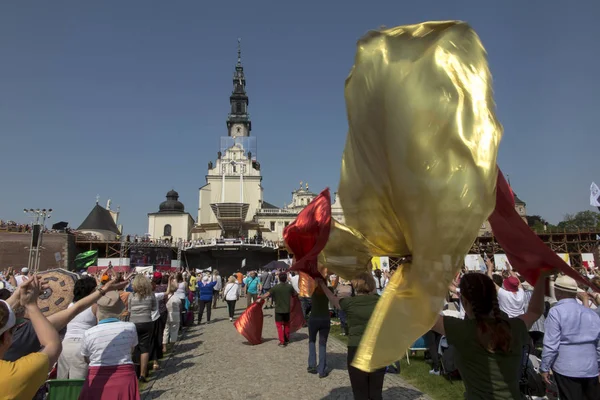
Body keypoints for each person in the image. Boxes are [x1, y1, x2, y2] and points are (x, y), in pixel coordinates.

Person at [431, 271, 548, 399]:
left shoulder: (462, 330)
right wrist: (541, 276)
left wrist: (412, 271)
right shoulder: (515, 327)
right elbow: (535, 311)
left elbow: (422, 317)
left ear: (464, 301)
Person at [320, 272, 384, 400]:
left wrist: (322, 284)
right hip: (376, 347)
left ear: (354, 286)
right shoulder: (379, 301)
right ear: (372, 285)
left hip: (356, 347)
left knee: (359, 391)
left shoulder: (349, 303)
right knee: (376, 391)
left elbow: (333, 299)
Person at [0, 277, 62, 400]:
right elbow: (52, 344)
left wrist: (17, 295)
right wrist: (30, 304)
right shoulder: (15, 374)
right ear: (6, 338)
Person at [540, 275, 600, 399]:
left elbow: (551, 344)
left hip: (566, 368)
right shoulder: (590, 313)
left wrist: (544, 367)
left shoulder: (556, 312)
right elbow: (598, 344)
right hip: (590, 367)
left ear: (558, 292)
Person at [80, 290, 139, 399]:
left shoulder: (89, 333)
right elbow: (131, 350)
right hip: (124, 375)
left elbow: (86, 358)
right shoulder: (130, 327)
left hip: (97, 376)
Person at [57, 276, 98, 379]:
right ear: (91, 291)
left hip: (65, 345)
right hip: (83, 345)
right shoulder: (94, 306)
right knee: (78, 384)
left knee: (62, 381)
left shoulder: (70, 305)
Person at [128, 275, 156, 382]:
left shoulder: (132, 296)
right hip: (147, 322)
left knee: (135, 348)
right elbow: (154, 308)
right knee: (145, 348)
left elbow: (129, 310)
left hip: (134, 323)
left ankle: (135, 371)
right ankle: (143, 374)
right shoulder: (151, 295)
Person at [262, 272, 296, 347]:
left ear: (279, 278)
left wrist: (260, 299)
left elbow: (267, 295)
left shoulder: (275, 287)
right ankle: (287, 339)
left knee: (279, 326)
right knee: (287, 324)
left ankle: (282, 341)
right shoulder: (290, 287)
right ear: (286, 278)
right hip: (287, 309)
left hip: (278, 310)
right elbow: (295, 295)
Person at [308, 281, 331, 378]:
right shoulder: (329, 290)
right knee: (322, 343)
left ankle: (312, 365)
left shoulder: (312, 290)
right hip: (325, 318)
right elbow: (335, 284)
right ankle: (322, 369)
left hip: (314, 318)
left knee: (312, 341)